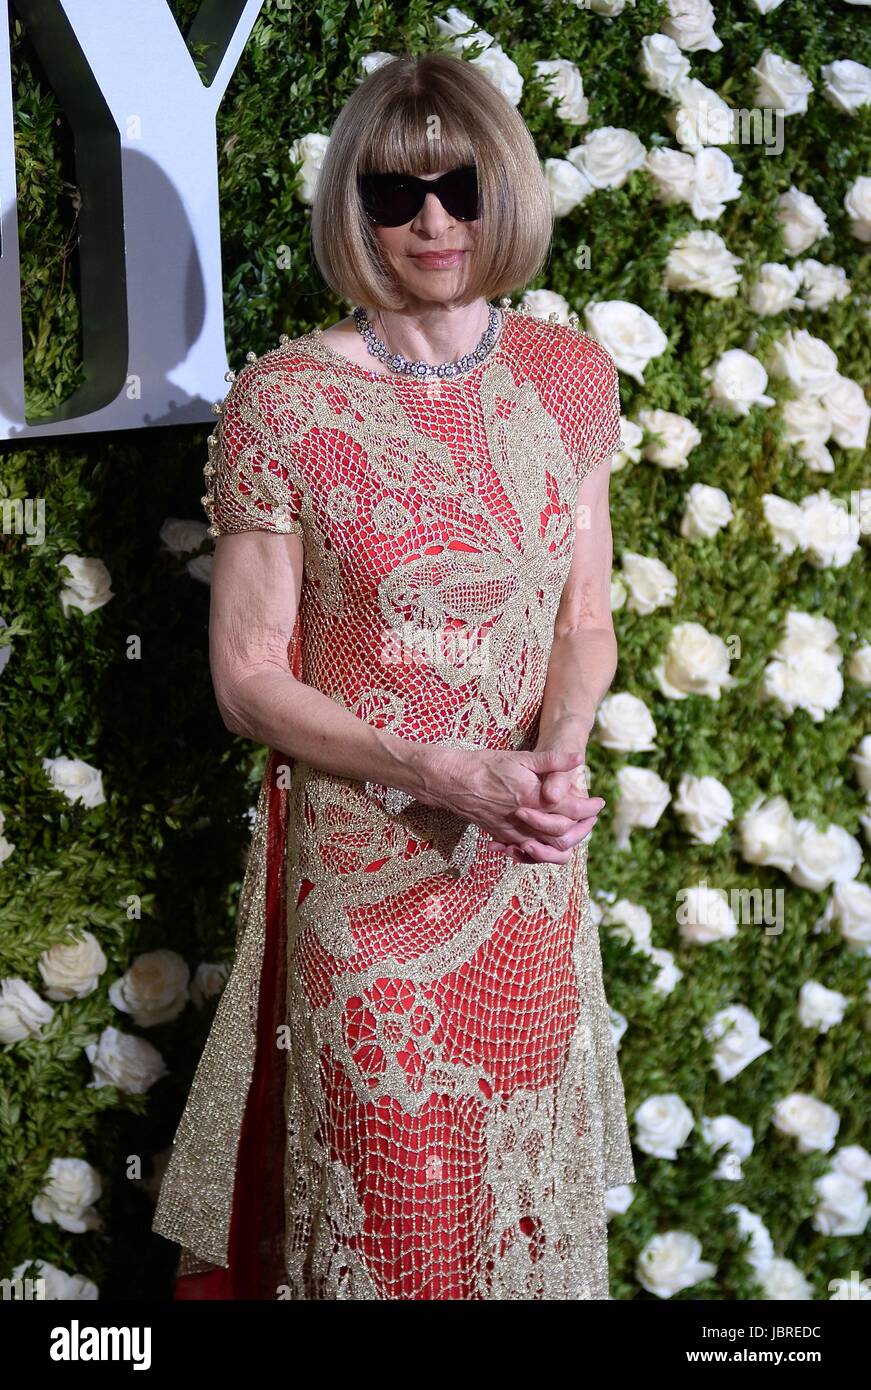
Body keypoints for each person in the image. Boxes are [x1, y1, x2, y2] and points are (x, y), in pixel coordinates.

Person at [152, 49, 635, 1301]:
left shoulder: (573, 378)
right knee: (395, 1235)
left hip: (524, 876)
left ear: (507, 194)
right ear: (351, 210)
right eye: (394, 194)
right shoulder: (283, 403)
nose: (433, 221)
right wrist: (434, 766)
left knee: (521, 1231)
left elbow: (584, 614)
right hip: (364, 893)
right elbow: (250, 679)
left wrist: (559, 747)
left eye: (463, 189)